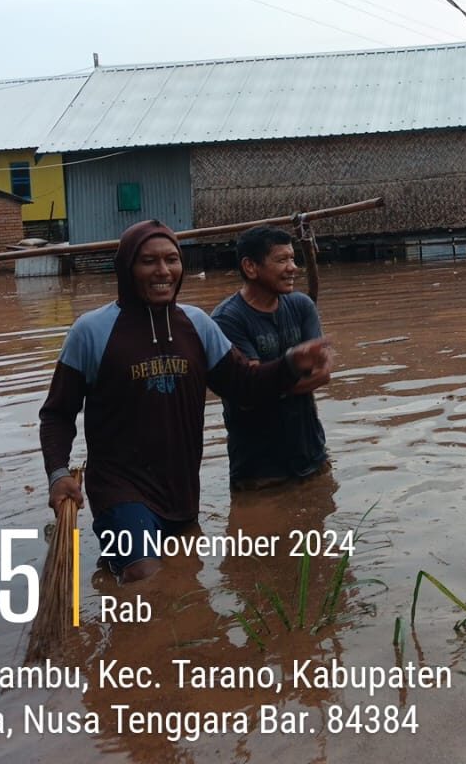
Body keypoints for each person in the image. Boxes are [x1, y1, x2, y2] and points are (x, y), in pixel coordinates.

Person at [40, 219, 331, 583]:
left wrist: (290, 363)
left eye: (172, 260)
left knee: (184, 582)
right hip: (119, 487)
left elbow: (244, 385)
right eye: (149, 261)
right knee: (144, 576)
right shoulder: (92, 330)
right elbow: (57, 413)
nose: (163, 271)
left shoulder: (196, 324)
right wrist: (58, 474)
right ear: (127, 267)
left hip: (180, 488)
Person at [211, 226, 330, 490]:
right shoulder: (227, 319)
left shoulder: (301, 306)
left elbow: (323, 373)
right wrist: (287, 374)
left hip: (311, 452)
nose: (293, 268)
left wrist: (267, 383)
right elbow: (249, 391)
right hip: (260, 469)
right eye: (281, 260)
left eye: (293, 258)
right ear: (250, 267)